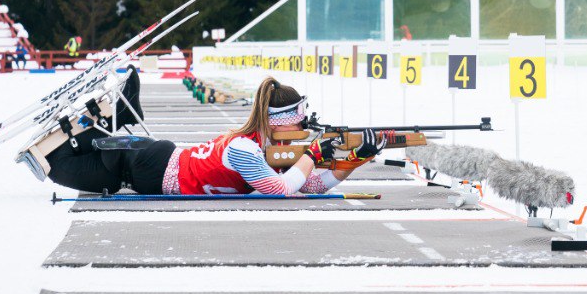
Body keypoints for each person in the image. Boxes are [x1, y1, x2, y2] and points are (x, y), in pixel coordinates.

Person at [42, 76, 385, 196]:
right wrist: (312, 155)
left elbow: (309, 185)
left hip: (149, 159)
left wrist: (356, 159)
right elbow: (282, 190)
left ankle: (117, 116)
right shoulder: (244, 150)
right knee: (52, 164)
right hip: (138, 165)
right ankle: (116, 114)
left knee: (60, 162)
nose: (302, 134)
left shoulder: (267, 151)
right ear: (278, 124)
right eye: (298, 127)